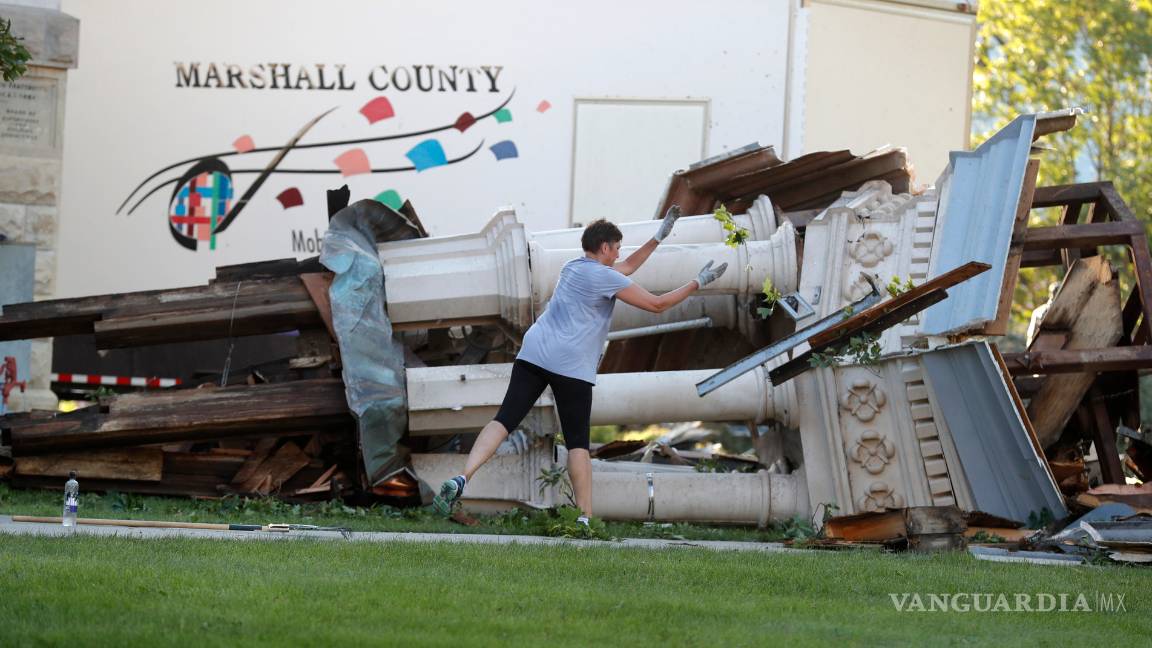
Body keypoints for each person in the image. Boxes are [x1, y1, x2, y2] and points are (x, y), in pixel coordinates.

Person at [432, 206, 728, 525]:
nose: (619, 254)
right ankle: (585, 519)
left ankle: (463, 478)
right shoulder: (605, 275)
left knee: (504, 419)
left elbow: (626, 267)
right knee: (577, 444)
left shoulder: (572, 267)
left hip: (535, 352)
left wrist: (658, 238)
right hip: (570, 365)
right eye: (616, 248)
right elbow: (656, 305)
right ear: (604, 248)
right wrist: (697, 282)